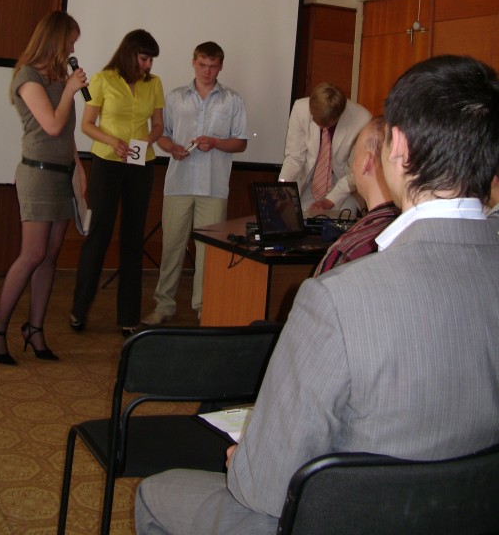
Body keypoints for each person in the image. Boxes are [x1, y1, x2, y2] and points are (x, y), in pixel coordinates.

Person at [135, 54, 499, 535]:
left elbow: (264, 489)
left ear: (398, 149)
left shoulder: (335, 299)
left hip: (343, 520)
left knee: (155, 493)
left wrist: (245, 461)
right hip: (467, 515)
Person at [0, 11, 89, 365]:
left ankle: (35, 329)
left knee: (50, 256)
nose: (73, 48)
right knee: (32, 254)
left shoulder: (59, 77)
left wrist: (79, 168)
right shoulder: (28, 77)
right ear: (56, 39)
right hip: (38, 175)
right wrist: (70, 90)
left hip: (62, 174)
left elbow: (66, 133)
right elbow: (52, 125)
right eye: (71, 41)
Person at [141, 42, 247, 325]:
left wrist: (215, 143)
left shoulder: (232, 100)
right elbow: (163, 135)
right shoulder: (175, 97)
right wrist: (172, 148)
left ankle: (204, 308)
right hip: (179, 183)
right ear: (193, 62)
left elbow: (241, 142)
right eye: (202, 65)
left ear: (220, 66)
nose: (207, 71)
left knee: (208, 254)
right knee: (171, 247)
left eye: (212, 66)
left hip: (214, 187)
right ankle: (164, 306)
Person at [70, 30, 164, 337]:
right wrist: (113, 141)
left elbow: (158, 125)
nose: (148, 65)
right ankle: (79, 310)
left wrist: (146, 141)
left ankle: (128, 317)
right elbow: (87, 125)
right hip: (107, 163)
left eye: (150, 60)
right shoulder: (103, 79)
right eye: (144, 58)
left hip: (141, 164)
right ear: (130, 53)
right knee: (98, 234)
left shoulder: (154, 83)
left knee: (133, 238)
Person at [312, 116, 400, 276]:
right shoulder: (413, 231)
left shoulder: (347, 253)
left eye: (355, 155)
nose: (353, 164)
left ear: (367, 162)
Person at [279, 82, 371, 214]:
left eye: (324, 124)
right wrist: (283, 188)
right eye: (315, 120)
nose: (319, 126)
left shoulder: (362, 120)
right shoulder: (300, 109)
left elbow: (354, 172)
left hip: (344, 183)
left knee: (342, 218)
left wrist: (330, 200)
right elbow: (294, 157)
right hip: (310, 179)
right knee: (299, 217)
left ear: (338, 116)